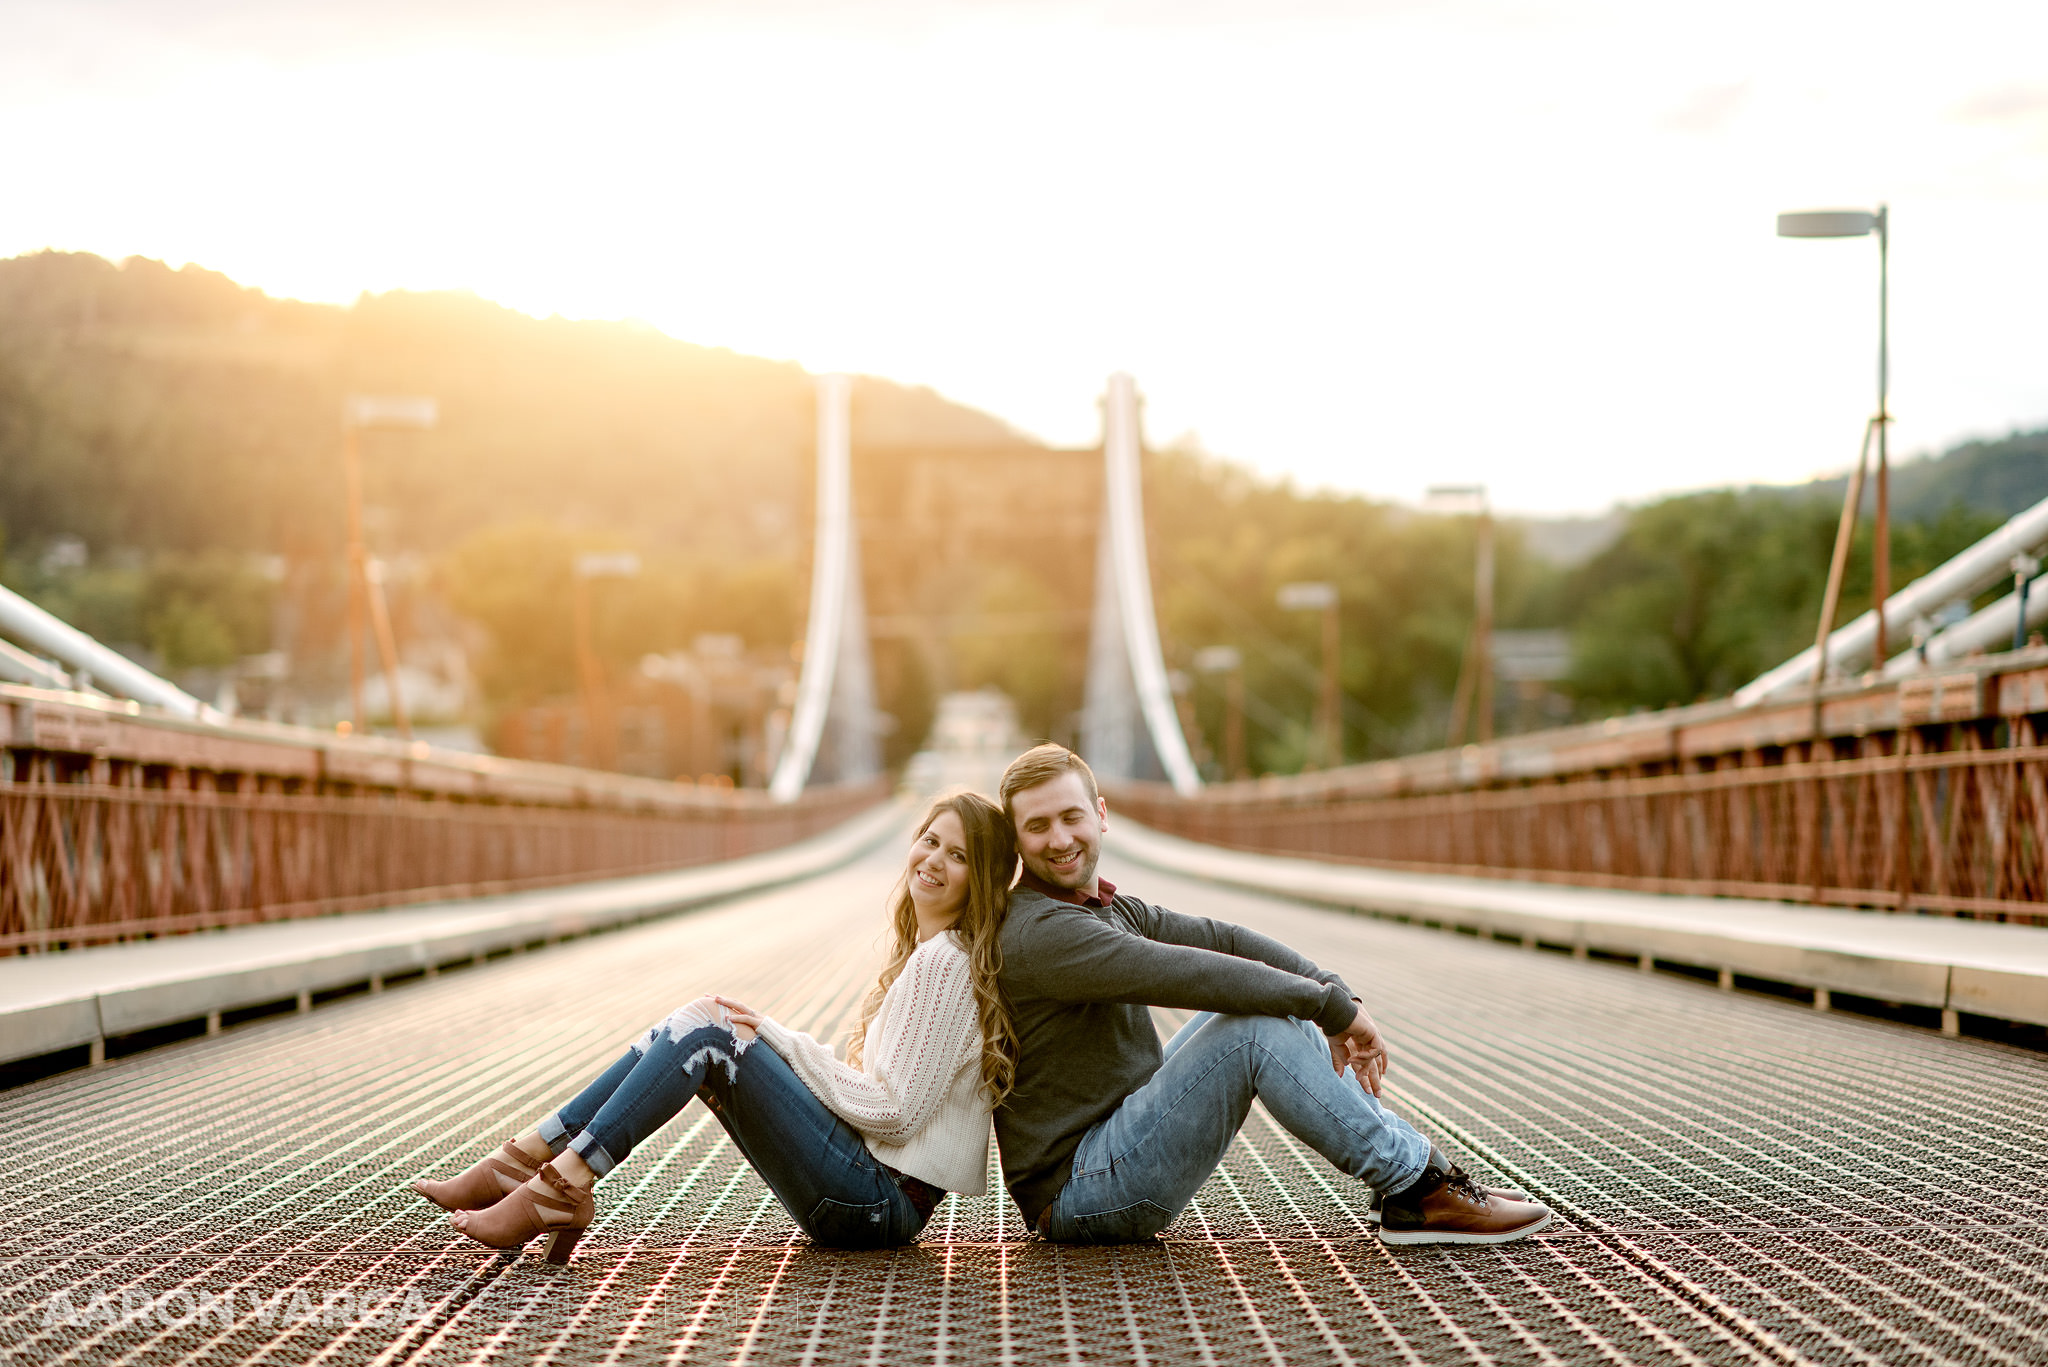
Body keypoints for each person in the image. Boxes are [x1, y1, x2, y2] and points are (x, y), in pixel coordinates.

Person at [410, 790, 1018, 1262]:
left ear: (981, 879)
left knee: (708, 1031)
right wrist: (778, 1040)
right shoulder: (931, 953)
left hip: (872, 1205)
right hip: (865, 1196)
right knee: (695, 1023)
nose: (934, 860)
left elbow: (896, 1113)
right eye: (930, 841)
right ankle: (532, 1162)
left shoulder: (945, 963)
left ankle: (554, 1180)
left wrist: (779, 1039)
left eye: (958, 856)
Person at [994, 743, 1553, 1246]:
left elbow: (1224, 940)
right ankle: (1416, 1188)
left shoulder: (1104, 908)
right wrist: (1327, 1006)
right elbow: (1195, 973)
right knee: (1254, 1028)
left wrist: (1336, 993)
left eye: (1071, 817)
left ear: (1101, 815)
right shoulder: (1044, 933)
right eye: (1038, 826)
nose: (1060, 839)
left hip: (1112, 1150)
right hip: (1081, 1193)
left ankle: (1417, 1180)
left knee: (1278, 1004)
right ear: (1017, 841)